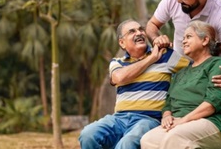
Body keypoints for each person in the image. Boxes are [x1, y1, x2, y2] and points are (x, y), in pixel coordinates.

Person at [79, 19, 190, 149]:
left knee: (127, 144)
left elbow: (196, 67)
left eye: (141, 29)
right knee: (87, 135)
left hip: (148, 119)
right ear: (122, 43)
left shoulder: (165, 55)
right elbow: (119, 78)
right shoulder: (118, 62)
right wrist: (151, 59)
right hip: (119, 119)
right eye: (132, 31)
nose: (139, 33)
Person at [141, 20, 221, 149]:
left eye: (189, 37)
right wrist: (167, 116)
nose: (183, 41)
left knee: (175, 138)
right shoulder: (181, 72)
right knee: (148, 140)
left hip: (213, 123)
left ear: (205, 40)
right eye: (183, 38)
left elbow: (213, 103)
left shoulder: (217, 64)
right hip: (179, 124)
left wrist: (183, 120)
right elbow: (168, 102)